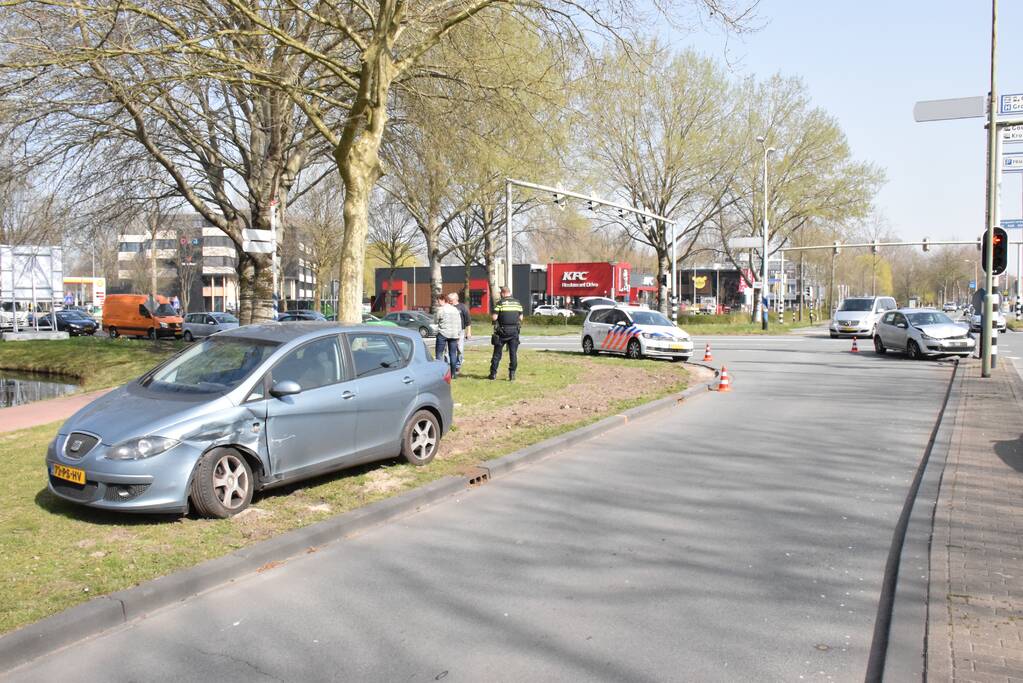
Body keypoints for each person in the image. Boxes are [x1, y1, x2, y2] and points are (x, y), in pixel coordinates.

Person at [489, 286, 523, 381]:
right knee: (513, 354)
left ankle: (493, 374)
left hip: (502, 332)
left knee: (497, 354)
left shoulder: (500, 303)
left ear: (503, 293)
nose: (500, 294)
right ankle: (512, 375)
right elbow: (521, 318)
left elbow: (494, 318)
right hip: (514, 332)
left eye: (500, 293)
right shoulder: (517, 303)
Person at [433, 295, 462, 378]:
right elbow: (459, 323)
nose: (438, 303)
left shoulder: (441, 310)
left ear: (442, 300)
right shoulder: (455, 309)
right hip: (454, 334)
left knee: (439, 353)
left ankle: (440, 373)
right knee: (453, 354)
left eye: (438, 301)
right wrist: (458, 334)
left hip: (443, 333)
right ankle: (453, 374)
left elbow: (435, 321)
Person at [448, 292, 472, 374]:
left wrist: (468, 332)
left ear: (456, 299)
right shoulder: (447, 307)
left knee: (459, 349)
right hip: (449, 330)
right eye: (449, 300)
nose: (450, 302)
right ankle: (450, 366)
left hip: (460, 331)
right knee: (449, 349)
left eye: (451, 300)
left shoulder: (462, 307)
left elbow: (468, 321)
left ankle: (458, 365)